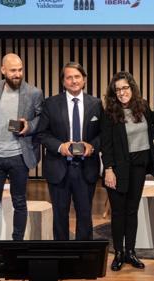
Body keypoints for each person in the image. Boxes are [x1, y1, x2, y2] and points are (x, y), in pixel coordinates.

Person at [38, 62, 102, 241]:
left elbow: (103, 134)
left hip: (86, 168)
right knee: (59, 216)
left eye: (77, 77)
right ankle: (62, 256)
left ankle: (84, 258)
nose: (74, 81)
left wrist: (92, 146)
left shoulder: (96, 104)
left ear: (84, 80)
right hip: (59, 168)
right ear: (63, 82)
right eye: (69, 77)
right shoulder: (51, 104)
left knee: (84, 216)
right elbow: (42, 134)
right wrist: (60, 147)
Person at [0, 53, 44, 244]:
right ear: (3, 70)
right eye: (13, 70)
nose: (17, 74)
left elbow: (42, 119)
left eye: (20, 70)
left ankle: (17, 243)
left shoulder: (34, 93)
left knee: (19, 202)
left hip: (19, 155)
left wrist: (30, 126)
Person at [101, 71, 154, 271]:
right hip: (117, 168)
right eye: (117, 89)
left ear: (132, 88)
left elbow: (152, 130)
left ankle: (130, 252)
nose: (122, 92)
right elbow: (105, 145)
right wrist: (108, 169)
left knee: (132, 211)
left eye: (125, 88)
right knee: (118, 212)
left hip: (139, 167)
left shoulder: (143, 108)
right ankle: (118, 253)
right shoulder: (109, 113)